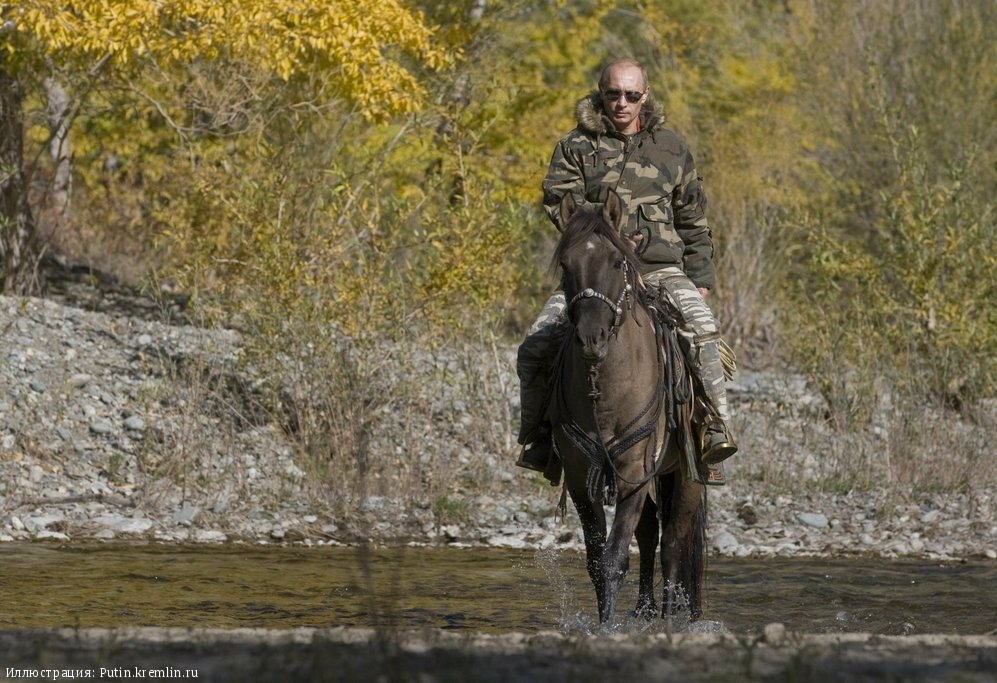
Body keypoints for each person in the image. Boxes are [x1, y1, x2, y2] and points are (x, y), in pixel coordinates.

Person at [516, 57, 737, 482]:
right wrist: (606, 242)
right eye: (613, 93)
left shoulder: (672, 148)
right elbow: (560, 206)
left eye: (631, 94)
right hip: (594, 273)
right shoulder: (574, 147)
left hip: (660, 269)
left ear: (645, 96)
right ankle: (540, 436)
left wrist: (701, 280)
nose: (622, 102)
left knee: (704, 333)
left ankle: (713, 430)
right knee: (534, 347)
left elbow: (693, 219)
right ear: (600, 92)